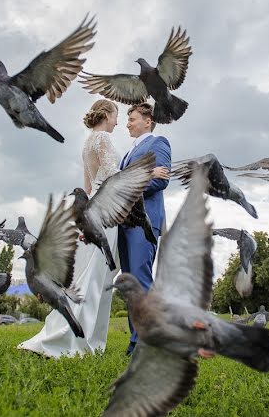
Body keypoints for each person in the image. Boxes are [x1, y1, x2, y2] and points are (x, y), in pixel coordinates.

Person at [18, 99, 167, 357]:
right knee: (94, 279)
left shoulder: (88, 144)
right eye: (118, 116)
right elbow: (112, 179)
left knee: (92, 276)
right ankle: (79, 340)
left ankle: (87, 339)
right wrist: (149, 174)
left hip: (97, 213)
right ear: (107, 114)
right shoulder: (104, 140)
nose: (120, 122)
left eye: (128, 118)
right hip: (106, 215)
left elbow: (87, 189)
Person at [117, 102, 171, 355]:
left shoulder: (158, 143)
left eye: (133, 119)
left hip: (145, 222)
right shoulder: (129, 152)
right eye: (128, 120)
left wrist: (126, 187)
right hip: (124, 222)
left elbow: (160, 180)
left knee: (140, 280)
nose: (128, 124)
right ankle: (135, 340)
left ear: (148, 121)